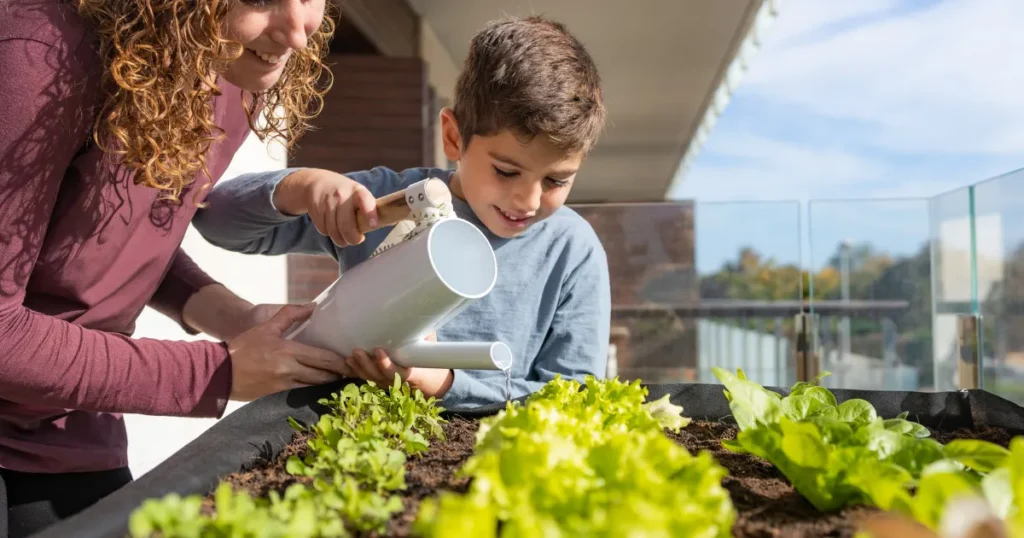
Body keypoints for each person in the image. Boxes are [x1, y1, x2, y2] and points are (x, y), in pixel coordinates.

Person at [0, 1, 359, 535]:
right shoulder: (39, 56)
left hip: (70, 429)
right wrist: (217, 373)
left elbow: (108, 236)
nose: (298, 34)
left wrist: (238, 319)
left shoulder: (231, 65)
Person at [192, 15, 613, 409]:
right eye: (506, 171)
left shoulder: (572, 250)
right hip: (355, 440)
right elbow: (214, 221)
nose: (529, 201)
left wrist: (446, 385)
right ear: (453, 137)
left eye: (556, 181)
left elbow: (577, 399)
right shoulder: (391, 201)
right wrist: (302, 188)